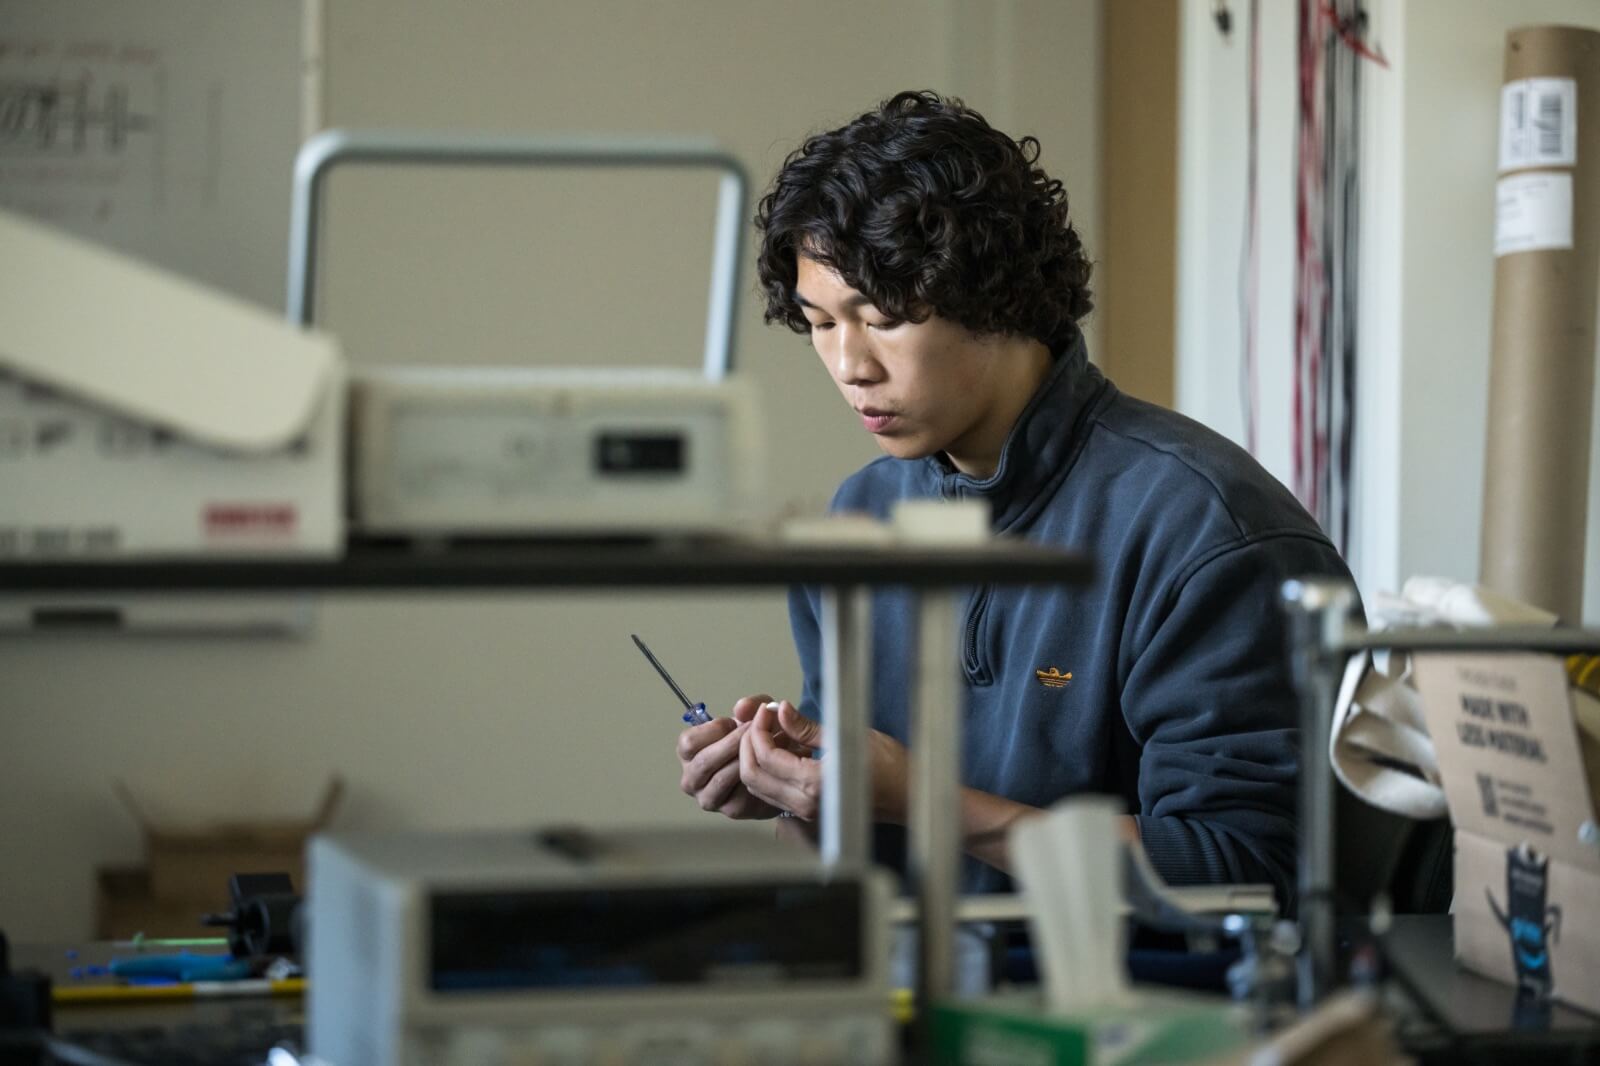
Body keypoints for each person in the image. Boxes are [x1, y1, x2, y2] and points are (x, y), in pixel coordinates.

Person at [675, 90, 1352, 906]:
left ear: (994, 297)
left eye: (881, 317)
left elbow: (1247, 870)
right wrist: (797, 792)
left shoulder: (1204, 529)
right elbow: (853, 867)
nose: (850, 365)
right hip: (915, 971)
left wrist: (926, 800)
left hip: (1134, 984)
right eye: (821, 323)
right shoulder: (860, 517)